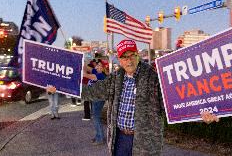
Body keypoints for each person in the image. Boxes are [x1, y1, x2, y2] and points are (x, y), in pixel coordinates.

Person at [80, 39, 219, 156]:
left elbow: (175, 103)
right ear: (120, 60)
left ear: (138, 55)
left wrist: (201, 114)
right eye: (124, 57)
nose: (129, 60)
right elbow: (93, 92)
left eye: (132, 55)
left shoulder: (154, 78)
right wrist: (63, 86)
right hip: (119, 139)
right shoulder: (115, 78)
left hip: (145, 142)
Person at [83, 61, 107, 145]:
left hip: (99, 99)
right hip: (95, 98)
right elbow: (86, 67)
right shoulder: (95, 71)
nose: (98, 67)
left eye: (101, 66)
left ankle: (100, 138)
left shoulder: (101, 75)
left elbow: (85, 75)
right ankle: (98, 136)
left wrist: (79, 69)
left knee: (96, 118)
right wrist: (81, 59)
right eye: (97, 66)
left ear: (103, 68)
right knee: (96, 118)